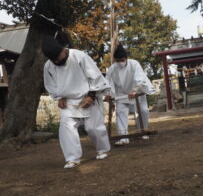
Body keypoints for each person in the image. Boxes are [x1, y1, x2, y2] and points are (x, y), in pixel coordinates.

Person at [42, 35, 111, 169]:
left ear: (62, 50)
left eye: (58, 57)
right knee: (66, 128)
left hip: (88, 96)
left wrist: (91, 96)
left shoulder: (79, 56)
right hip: (68, 102)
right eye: (53, 59)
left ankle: (102, 149)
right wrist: (59, 98)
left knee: (93, 128)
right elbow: (51, 85)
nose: (56, 61)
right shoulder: (48, 66)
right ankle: (72, 158)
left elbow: (95, 77)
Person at [105, 44, 155, 146]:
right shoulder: (112, 69)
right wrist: (108, 94)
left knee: (144, 110)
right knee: (120, 113)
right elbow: (108, 82)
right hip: (121, 94)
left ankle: (141, 131)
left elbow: (139, 77)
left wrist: (135, 90)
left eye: (122, 60)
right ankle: (123, 137)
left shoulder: (134, 64)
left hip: (137, 91)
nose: (120, 63)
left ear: (126, 58)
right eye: (117, 61)